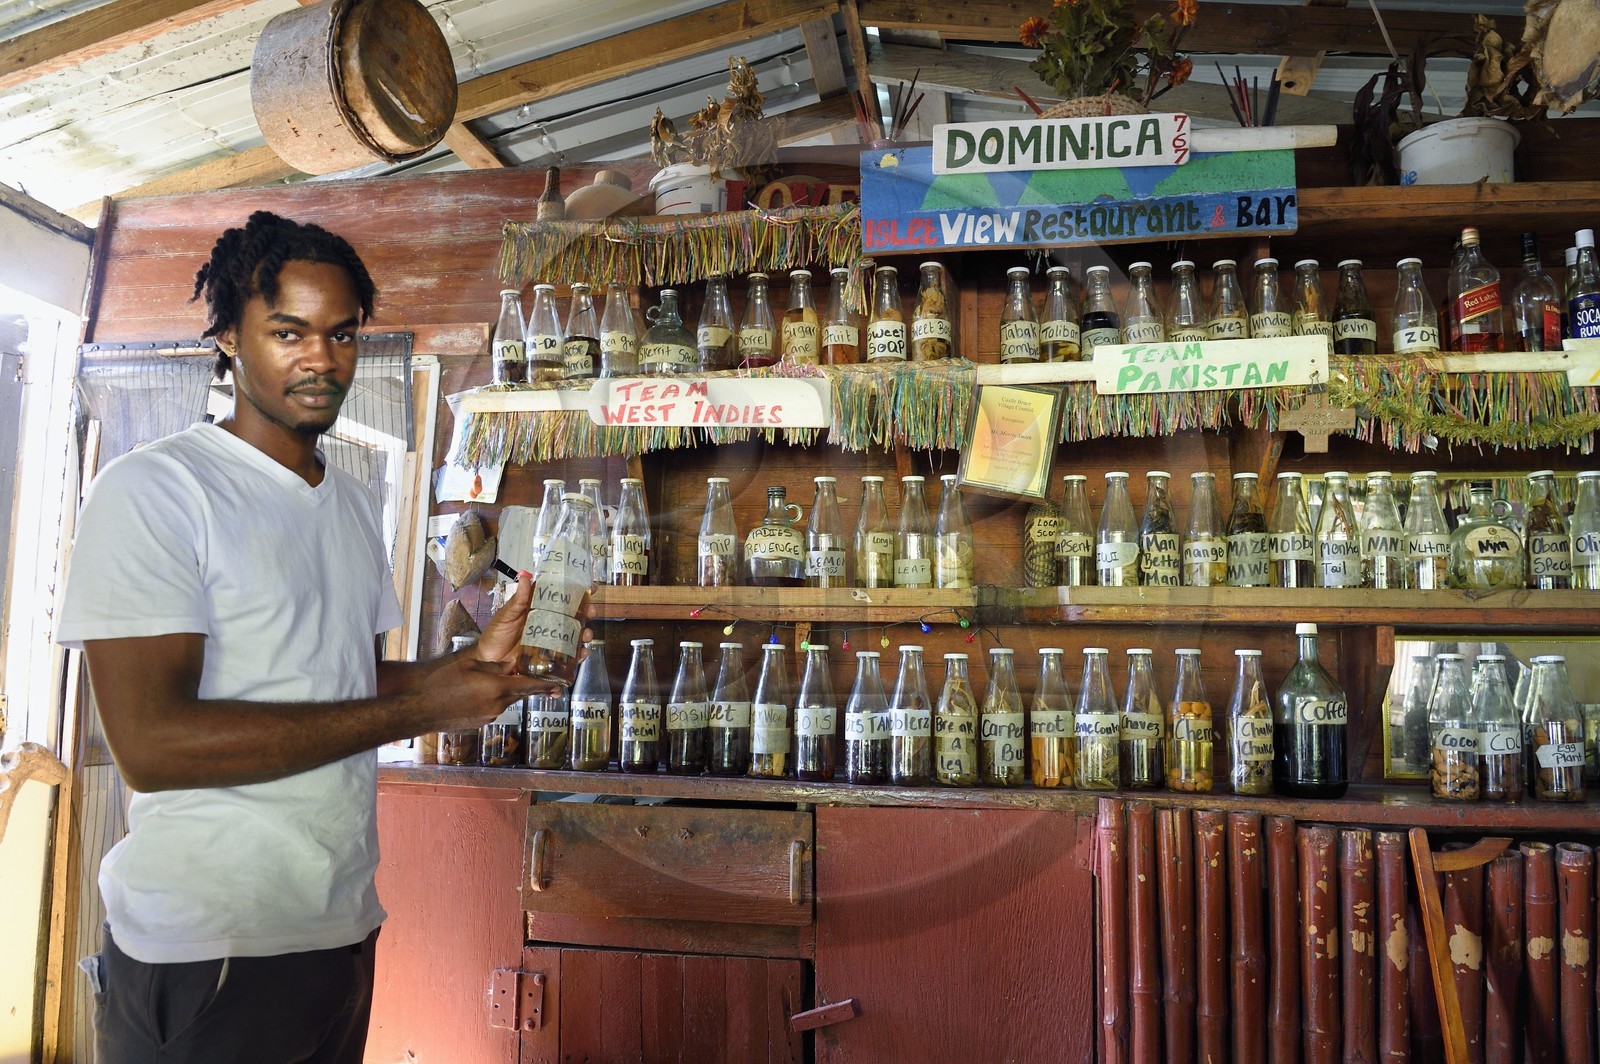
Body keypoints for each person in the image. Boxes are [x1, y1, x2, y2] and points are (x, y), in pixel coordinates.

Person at [56, 211, 564, 1063]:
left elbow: (344, 685)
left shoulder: (350, 503)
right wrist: (424, 709)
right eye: (288, 332)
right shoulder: (156, 491)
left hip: (337, 932)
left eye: (341, 334)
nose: (321, 359)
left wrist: (466, 669)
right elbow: (151, 745)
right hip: (208, 948)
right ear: (228, 336)